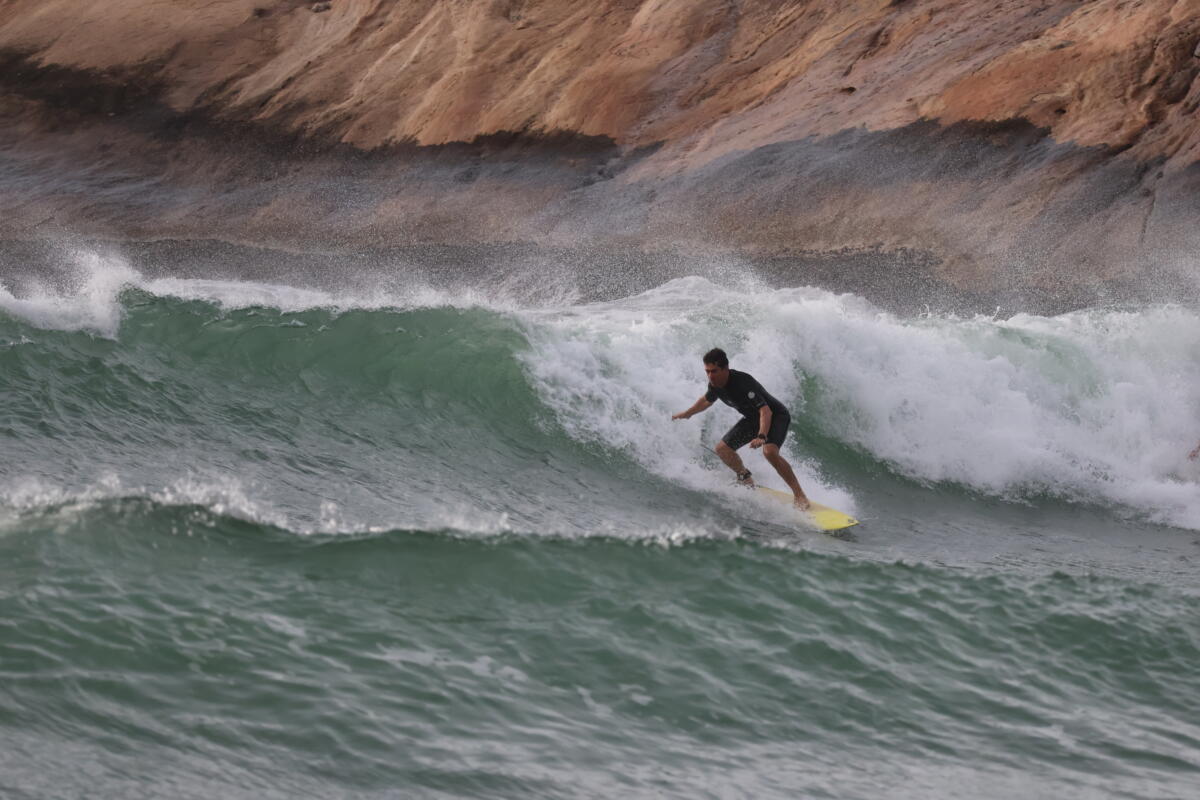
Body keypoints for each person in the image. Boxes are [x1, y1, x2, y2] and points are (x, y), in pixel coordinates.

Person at [672, 347, 810, 509]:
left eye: (714, 371)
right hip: (753, 419)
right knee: (723, 449)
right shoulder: (715, 385)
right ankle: (745, 478)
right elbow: (706, 400)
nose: (710, 376)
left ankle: (800, 495)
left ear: (725, 368)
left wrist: (762, 436)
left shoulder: (743, 383)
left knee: (770, 452)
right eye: (707, 371)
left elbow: (765, 411)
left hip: (776, 416)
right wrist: (687, 414)